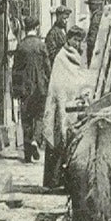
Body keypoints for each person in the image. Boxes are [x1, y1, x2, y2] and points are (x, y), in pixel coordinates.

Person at [42, 25, 91, 189]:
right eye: (76, 40)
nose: (78, 44)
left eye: (80, 41)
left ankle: (62, 180)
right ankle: (52, 181)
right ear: (69, 39)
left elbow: (78, 77)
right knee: (56, 142)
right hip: (59, 103)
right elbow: (59, 83)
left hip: (71, 103)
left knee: (67, 141)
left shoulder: (77, 57)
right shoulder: (61, 57)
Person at [11, 16, 50, 163]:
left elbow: (16, 70)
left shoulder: (21, 46)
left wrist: (15, 90)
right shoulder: (41, 45)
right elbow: (47, 67)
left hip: (25, 89)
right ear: (37, 28)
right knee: (40, 116)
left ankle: (27, 153)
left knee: (26, 119)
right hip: (40, 88)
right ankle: (36, 140)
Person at [85, 0, 104, 66]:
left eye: (91, 4)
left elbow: (92, 40)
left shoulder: (95, 19)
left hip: (95, 53)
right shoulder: (101, 15)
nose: (89, 7)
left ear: (96, 5)